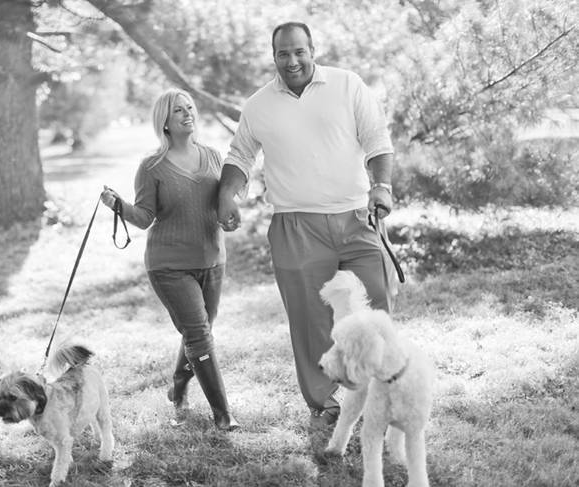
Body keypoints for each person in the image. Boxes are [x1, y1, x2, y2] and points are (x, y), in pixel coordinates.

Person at [217, 21, 396, 428]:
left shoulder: (348, 85)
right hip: (295, 225)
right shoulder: (259, 105)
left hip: (355, 217)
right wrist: (228, 194)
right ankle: (325, 403)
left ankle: (381, 390)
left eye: (299, 51)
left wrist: (381, 186)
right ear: (273, 56)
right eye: (283, 53)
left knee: (377, 307)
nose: (292, 60)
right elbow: (240, 155)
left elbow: (376, 139)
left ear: (313, 50)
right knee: (309, 317)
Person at [102, 88, 240, 431]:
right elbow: (145, 216)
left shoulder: (212, 156)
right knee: (199, 334)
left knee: (200, 330)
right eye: (178, 110)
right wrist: (118, 205)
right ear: (165, 121)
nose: (187, 114)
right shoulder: (152, 166)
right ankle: (223, 415)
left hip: (212, 259)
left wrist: (229, 214)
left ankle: (178, 385)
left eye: (190, 108)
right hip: (169, 265)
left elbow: (220, 202)